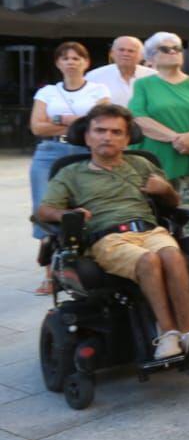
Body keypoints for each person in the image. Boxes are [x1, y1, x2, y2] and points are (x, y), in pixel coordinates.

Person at [36, 104, 189, 361]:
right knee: (148, 260)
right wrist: (66, 215)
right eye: (100, 130)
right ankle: (168, 334)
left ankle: (188, 333)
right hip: (108, 237)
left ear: (127, 139)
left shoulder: (141, 164)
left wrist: (165, 190)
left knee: (173, 255)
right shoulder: (70, 173)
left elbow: (173, 202)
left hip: (150, 230)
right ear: (87, 136)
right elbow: (44, 210)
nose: (107, 137)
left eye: (116, 132)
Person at [29, 41, 111, 293]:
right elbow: (37, 127)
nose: (71, 62)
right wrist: (77, 122)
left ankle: (88, 268)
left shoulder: (98, 90)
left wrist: (58, 120)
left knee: (89, 206)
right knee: (46, 208)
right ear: (58, 63)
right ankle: (50, 274)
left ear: (86, 63)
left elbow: (100, 122)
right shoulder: (47, 92)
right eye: (65, 58)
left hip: (86, 151)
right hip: (50, 152)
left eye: (77, 58)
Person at [129, 31, 189, 238]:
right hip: (157, 161)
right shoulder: (143, 84)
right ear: (151, 57)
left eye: (177, 48)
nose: (173, 52)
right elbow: (138, 116)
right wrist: (176, 139)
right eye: (165, 49)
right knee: (156, 218)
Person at [85, 35, 155, 106]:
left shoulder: (153, 76)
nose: (125, 54)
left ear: (142, 56)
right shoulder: (94, 76)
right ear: (112, 53)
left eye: (131, 51)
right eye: (121, 50)